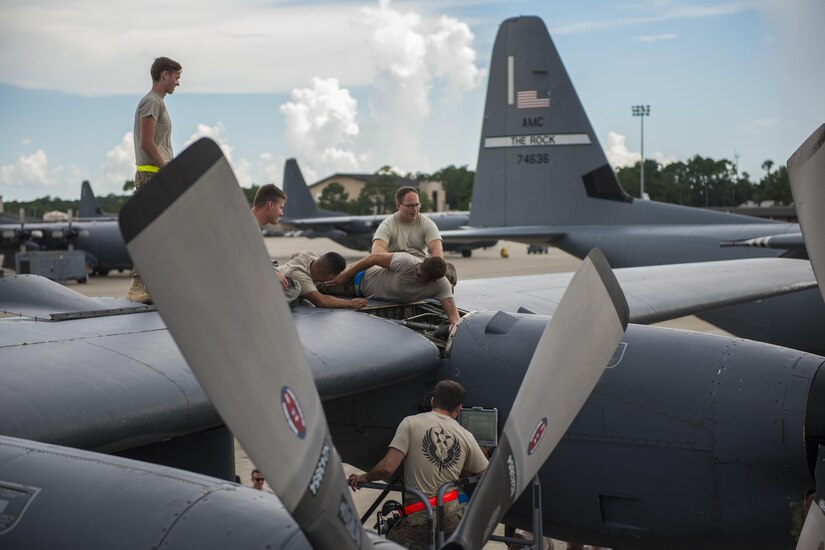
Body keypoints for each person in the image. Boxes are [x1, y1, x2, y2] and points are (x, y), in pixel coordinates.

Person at [347, 380, 488, 549]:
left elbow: (387, 468)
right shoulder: (466, 435)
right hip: (451, 516)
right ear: (459, 408)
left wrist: (364, 477)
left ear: (433, 400)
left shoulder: (411, 423)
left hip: (419, 515)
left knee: (390, 541)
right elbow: (486, 475)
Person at [127, 56, 182, 304]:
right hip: (152, 176)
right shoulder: (152, 102)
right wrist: (166, 170)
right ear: (164, 75)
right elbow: (146, 143)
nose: (177, 83)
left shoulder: (157, 103)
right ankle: (138, 286)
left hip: (156, 174)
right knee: (151, 233)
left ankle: (154, 283)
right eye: (176, 77)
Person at [322, 252, 460, 327]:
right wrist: (345, 276)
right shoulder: (407, 262)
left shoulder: (441, 285)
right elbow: (373, 258)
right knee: (317, 283)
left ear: (433, 280)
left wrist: (455, 327)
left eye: (420, 276)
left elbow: (452, 313)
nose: (416, 273)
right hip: (355, 279)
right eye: (418, 270)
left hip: (362, 294)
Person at [372, 186, 457, 286]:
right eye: (410, 206)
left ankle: (449, 274)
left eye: (417, 205)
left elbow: (437, 251)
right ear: (398, 206)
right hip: (396, 267)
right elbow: (377, 252)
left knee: (443, 274)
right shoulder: (387, 225)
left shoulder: (427, 224)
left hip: (422, 268)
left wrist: (431, 270)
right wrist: (395, 264)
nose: (415, 209)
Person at [279, 251, 368, 309]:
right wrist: (350, 303)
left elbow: (295, 254)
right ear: (330, 278)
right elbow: (321, 301)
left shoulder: (309, 255)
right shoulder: (300, 276)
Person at [250, 184, 291, 291]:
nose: (282, 213)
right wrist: (270, 273)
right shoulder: (246, 228)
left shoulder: (251, 226)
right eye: (281, 207)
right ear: (270, 205)